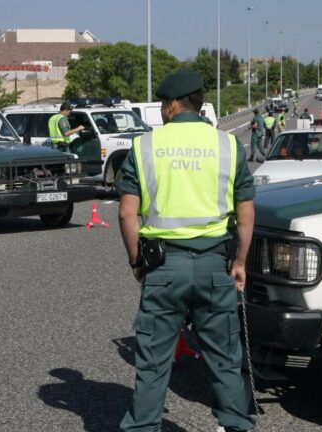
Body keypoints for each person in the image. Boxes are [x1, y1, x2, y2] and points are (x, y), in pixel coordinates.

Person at [117, 69, 256, 432]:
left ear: (175, 104)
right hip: (215, 266)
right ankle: (237, 426)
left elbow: (126, 212)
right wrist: (239, 261)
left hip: (164, 267)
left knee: (152, 362)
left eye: (164, 103)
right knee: (224, 359)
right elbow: (246, 211)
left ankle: (144, 427)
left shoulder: (145, 146)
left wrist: (137, 262)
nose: (163, 109)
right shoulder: (228, 146)